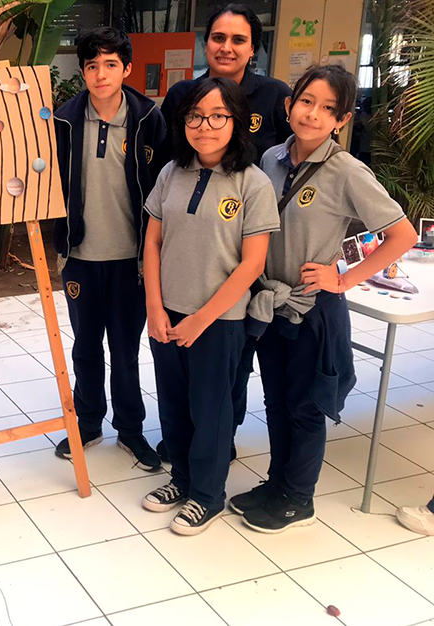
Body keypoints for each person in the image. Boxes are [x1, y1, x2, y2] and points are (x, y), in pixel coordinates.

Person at [230, 65, 418, 533]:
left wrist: (343, 279)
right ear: (290, 104)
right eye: (306, 101)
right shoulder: (270, 158)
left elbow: (402, 235)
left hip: (313, 310)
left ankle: (298, 498)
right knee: (275, 401)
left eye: (327, 108)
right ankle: (276, 484)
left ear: (342, 118)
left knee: (306, 406)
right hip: (269, 305)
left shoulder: (347, 171)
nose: (312, 114)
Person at [141, 78, 280, 535]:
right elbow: (153, 243)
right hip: (168, 313)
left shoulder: (252, 182)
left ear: (236, 121)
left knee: (212, 411)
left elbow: (252, 263)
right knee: (174, 404)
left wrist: (203, 318)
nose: (205, 126)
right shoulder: (170, 174)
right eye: (195, 116)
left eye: (217, 116)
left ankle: (207, 495)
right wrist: (155, 308)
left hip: (219, 320)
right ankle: (180, 480)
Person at [156, 3, 294, 463]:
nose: (226, 47)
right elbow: (171, 162)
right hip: (200, 240)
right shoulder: (183, 94)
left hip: (256, 239)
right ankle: (193, 440)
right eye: (218, 37)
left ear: (253, 47)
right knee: (189, 362)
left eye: (238, 39)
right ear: (206, 42)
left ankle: (218, 439)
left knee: (232, 355)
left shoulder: (274, 95)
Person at [51, 27, 166, 471]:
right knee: (85, 344)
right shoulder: (62, 120)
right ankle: (88, 421)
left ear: (127, 69)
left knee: (124, 346)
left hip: (132, 259)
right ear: (82, 71)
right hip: (79, 255)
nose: (101, 74)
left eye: (111, 65)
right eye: (93, 66)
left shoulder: (147, 118)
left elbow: (162, 185)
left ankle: (132, 430)